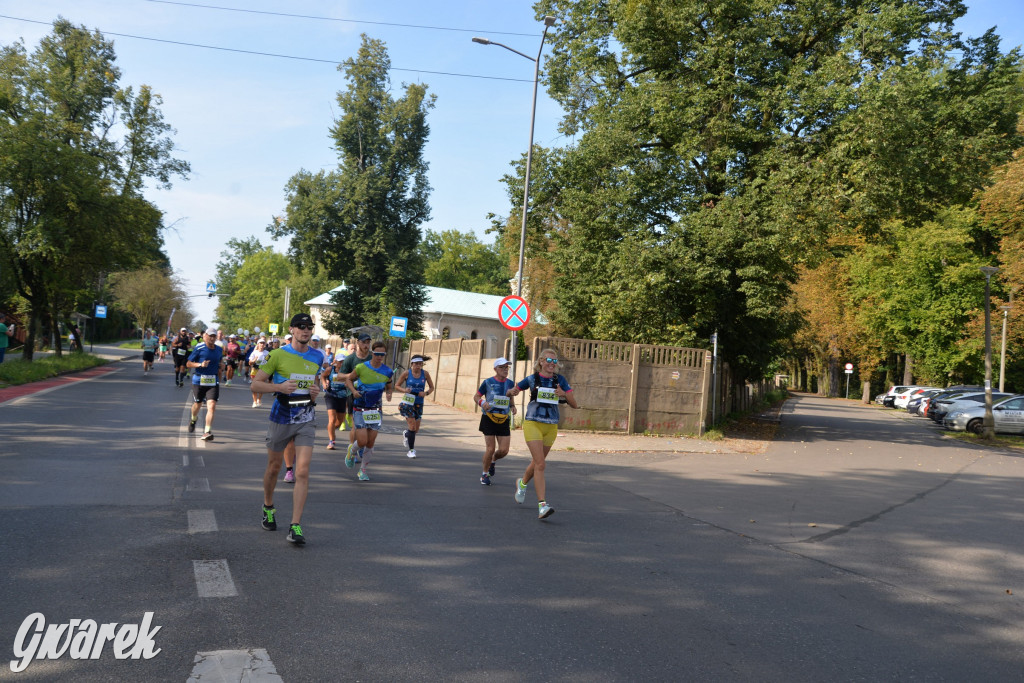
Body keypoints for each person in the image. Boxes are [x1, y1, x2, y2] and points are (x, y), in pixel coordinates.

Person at [251, 313, 325, 545]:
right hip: (281, 417)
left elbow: (314, 384)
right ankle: (268, 506)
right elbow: (255, 383)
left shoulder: (317, 356)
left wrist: (315, 391)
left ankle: (295, 526)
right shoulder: (276, 354)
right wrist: (279, 387)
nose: (305, 330)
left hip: (306, 417)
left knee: (302, 471)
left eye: (309, 327)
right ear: (292, 330)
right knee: (274, 467)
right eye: (301, 327)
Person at [506, 349, 579, 519]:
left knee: (538, 463)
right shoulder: (532, 379)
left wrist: (564, 395)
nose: (551, 363)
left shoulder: (560, 380)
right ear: (540, 361)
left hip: (551, 426)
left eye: (554, 361)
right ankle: (542, 506)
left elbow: (575, 404)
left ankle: (522, 484)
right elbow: (513, 390)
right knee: (540, 464)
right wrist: (512, 393)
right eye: (548, 360)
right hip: (533, 423)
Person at [343, 340, 393, 481]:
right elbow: (348, 380)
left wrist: (389, 393)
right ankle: (351, 451)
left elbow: (389, 386)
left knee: (370, 443)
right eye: (377, 354)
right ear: (372, 353)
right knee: (362, 441)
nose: (379, 357)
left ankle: (362, 471)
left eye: (382, 355)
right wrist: (353, 391)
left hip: (376, 410)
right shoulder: (361, 367)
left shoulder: (387, 371)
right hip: (360, 407)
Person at [474, 357, 517, 485]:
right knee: (490, 448)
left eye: (506, 367)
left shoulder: (510, 383)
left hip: (503, 419)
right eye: (502, 367)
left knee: (504, 450)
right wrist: (482, 402)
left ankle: (493, 460)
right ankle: (484, 474)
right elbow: (476, 396)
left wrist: (512, 406)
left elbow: (509, 398)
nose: (505, 369)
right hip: (489, 417)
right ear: (495, 369)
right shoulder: (487, 382)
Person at [186, 328, 226, 441]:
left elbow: (220, 361)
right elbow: (188, 363)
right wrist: (200, 364)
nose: (212, 338)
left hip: (212, 381)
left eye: (214, 336)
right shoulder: (199, 348)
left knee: (212, 406)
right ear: (205, 336)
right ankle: (193, 419)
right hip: (199, 380)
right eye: (210, 336)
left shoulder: (219, 349)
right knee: (197, 404)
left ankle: (207, 431)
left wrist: (222, 365)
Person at [338, 333, 372, 461]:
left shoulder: (372, 358)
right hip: (353, 394)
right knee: (356, 426)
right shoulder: (350, 359)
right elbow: (340, 376)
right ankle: (353, 449)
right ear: (358, 343)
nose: (366, 345)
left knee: (367, 426)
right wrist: (352, 375)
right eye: (364, 342)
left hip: (370, 396)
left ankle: (361, 446)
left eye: (368, 342)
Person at [394, 355, 434, 459]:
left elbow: (431, 387)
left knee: (415, 430)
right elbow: (397, 385)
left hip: (419, 403)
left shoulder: (425, 374)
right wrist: (404, 390)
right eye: (416, 364)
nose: (418, 366)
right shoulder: (406, 373)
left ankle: (407, 434)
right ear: (412, 364)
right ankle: (411, 451)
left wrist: (426, 393)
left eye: (420, 364)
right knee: (412, 427)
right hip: (408, 403)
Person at [248, 338, 271, 407]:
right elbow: (250, 363)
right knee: (254, 386)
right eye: (260, 343)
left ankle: (259, 399)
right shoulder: (254, 352)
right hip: (255, 370)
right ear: (258, 344)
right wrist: (254, 360)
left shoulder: (267, 353)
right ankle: (254, 401)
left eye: (263, 343)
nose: (262, 344)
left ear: (265, 345)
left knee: (261, 386)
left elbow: (270, 361)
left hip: (263, 371)